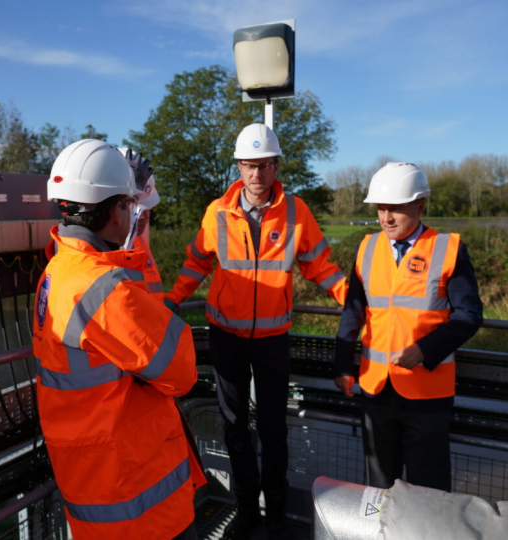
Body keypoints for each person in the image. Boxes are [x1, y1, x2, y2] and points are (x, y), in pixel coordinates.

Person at [164, 124, 348, 539]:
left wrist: (350, 300)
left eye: (264, 165)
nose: (256, 174)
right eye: (249, 165)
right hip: (225, 335)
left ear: (276, 166)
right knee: (233, 426)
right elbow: (195, 263)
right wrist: (172, 300)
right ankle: (247, 511)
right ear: (239, 167)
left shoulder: (296, 212)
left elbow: (320, 266)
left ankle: (277, 515)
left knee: (273, 429)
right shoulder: (217, 212)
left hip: (272, 340)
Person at [32, 139, 206, 539]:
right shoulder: (105, 289)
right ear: (115, 210)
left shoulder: (57, 272)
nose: (133, 214)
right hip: (140, 502)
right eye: (129, 205)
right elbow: (181, 372)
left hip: (91, 482)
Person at [333, 162, 483, 493]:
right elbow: (353, 312)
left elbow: (469, 315)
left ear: (420, 205)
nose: (386, 217)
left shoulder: (448, 249)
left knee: (427, 488)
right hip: (375, 388)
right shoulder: (366, 248)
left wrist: (424, 350)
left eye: (396, 209)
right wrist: (343, 365)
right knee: (378, 484)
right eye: (381, 208)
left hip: (427, 394)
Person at [118, 147, 163, 301]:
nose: (144, 216)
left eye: (148, 209)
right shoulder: (100, 249)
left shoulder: (139, 242)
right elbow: (117, 253)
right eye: (136, 207)